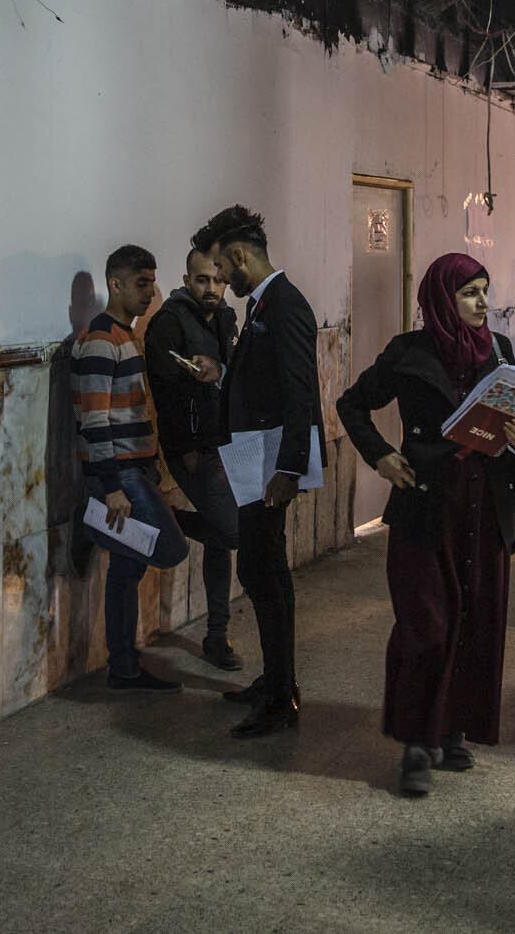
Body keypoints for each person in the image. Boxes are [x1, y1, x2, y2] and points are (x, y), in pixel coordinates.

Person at [337, 253, 515, 796]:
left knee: (475, 623)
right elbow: (351, 404)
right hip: (426, 510)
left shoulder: (499, 352)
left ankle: (451, 732)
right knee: (427, 627)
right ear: (440, 298)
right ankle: (416, 743)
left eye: (484, 292)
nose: (480, 303)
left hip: (483, 512)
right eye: (469, 293)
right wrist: (379, 455)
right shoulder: (409, 353)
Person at [204, 204, 326, 739]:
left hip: (272, 463)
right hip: (257, 457)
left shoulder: (285, 304)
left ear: (237, 257)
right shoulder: (263, 305)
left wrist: (289, 468)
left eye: (222, 267)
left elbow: (301, 391)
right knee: (259, 570)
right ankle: (276, 679)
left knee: (264, 572)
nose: (222, 278)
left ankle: (281, 694)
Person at [74, 244, 191, 693]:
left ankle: (122, 665)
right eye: (141, 283)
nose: (151, 291)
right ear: (114, 284)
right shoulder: (103, 339)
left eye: (152, 281)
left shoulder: (125, 337)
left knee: (127, 569)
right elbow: (95, 419)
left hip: (134, 470)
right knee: (170, 549)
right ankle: (91, 526)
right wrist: (111, 488)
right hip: (118, 475)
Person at [143, 244, 244, 670]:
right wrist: (183, 450)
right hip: (194, 449)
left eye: (218, 280)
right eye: (202, 279)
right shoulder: (168, 323)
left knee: (223, 540)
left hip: (228, 442)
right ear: (187, 281)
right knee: (235, 532)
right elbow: (169, 391)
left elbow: (234, 371)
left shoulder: (225, 318)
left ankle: (217, 634)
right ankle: (165, 518)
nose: (212, 288)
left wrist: (221, 370)